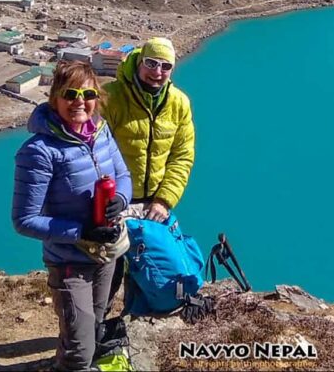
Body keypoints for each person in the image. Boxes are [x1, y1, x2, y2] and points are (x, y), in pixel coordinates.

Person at [12, 61, 132, 371]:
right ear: (55, 98)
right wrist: (81, 231)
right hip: (69, 261)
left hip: (106, 253)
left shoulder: (102, 133)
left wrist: (120, 199)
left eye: (88, 93)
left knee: (93, 328)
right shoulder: (39, 151)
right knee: (80, 349)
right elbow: (24, 220)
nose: (80, 101)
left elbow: (123, 176)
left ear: (97, 97)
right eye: (70, 94)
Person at [102, 37, 196, 224]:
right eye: (151, 63)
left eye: (165, 66)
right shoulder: (110, 97)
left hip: (155, 206)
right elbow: (92, 153)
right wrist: (113, 198)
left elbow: (182, 156)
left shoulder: (179, 103)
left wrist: (164, 200)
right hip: (113, 202)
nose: (157, 72)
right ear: (139, 62)